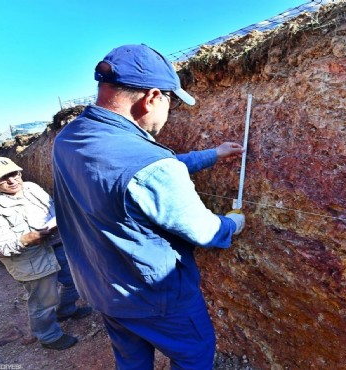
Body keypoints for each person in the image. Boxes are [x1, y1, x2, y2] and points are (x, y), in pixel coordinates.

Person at [52, 44, 246, 369]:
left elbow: (129, 178)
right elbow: (204, 230)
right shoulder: (151, 165)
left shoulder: (70, 137)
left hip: (102, 288)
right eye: (170, 102)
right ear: (152, 97)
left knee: (131, 360)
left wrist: (212, 154)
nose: (168, 113)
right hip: (156, 299)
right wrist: (233, 224)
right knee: (194, 356)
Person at [0, 157, 92, 350]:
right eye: (3, 178)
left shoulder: (32, 188)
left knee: (74, 282)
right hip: (32, 261)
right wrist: (23, 240)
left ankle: (66, 310)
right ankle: (49, 336)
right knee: (44, 302)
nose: (12, 181)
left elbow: (52, 210)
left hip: (57, 245)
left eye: (14, 173)